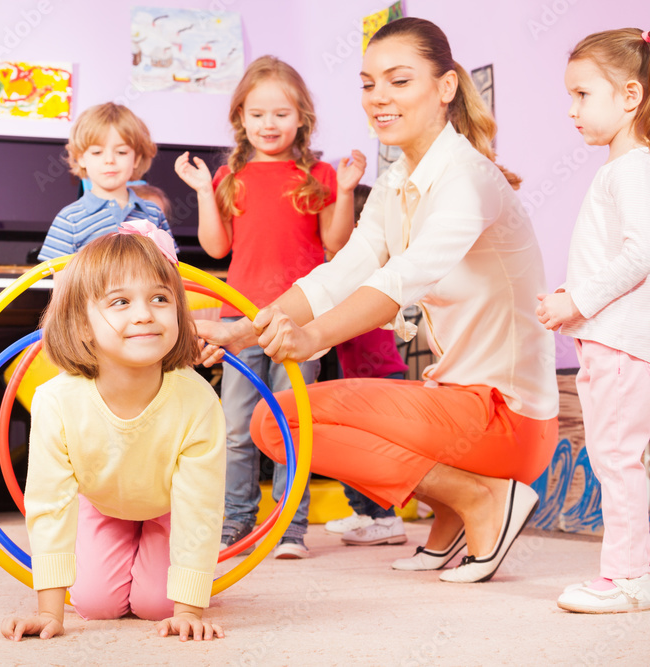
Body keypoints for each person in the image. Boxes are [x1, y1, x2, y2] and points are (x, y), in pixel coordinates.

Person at [197, 17, 559, 584]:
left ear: (444, 88)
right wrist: (243, 331)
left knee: (277, 424)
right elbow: (341, 272)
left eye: (398, 81)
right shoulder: (396, 181)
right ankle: (452, 513)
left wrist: (312, 337)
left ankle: (483, 497)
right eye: (368, 84)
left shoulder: (467, 177)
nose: (378, 98)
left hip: (506, 417)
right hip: (458, 401)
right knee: (275, 423)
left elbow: (403, 280)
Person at [174, 55, 366, 559]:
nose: (269, 124)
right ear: (241, 118)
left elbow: (335, 241)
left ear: (301, 118)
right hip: (239, 319)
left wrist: (344, 193)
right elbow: (216, 248)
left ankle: (290, 528)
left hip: (299, 320)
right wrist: (201, 191)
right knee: (236, 426)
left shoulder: (318, 172)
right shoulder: (230, 175)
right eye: (257, 114)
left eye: (281, 114)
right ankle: (237, 521)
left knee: (292, 424)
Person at [1, 230, 226, 642]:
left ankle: (163, 563)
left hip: (168, 507)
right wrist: (50, 611)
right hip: (104, 503)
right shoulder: (57, 400)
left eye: (160, 299)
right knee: (95, 605)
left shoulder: (197, 399)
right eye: (120, 302)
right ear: (81, 325)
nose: (144, 314)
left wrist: (189, 608)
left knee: (158, 606)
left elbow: (201, 505)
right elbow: (49, 503)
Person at [536, 28, 650, 614]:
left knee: (614, 456)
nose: (572, 110)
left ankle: (628, 577)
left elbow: (639, 253)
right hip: (614, 338)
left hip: (618, 342)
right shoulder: (624, 168)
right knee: (623, 456)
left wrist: (576, 301)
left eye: (583, 95)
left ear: (630, 96)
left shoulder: (630, 169)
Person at [323, 184, 411, 548]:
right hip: (357, 374)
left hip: (380, 375)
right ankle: (363, 512)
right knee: (349, 448)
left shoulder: (371, 268)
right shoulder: (348, 268)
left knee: (370, 452)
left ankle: (386, 520)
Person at [37, 103, 172, 262]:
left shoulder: (154, 213)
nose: (109, 160)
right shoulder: (69, 219)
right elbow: (61, 285)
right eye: (97, 152)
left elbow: (171, 270)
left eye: (121, 152)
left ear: (136, 159)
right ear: (81, 158)